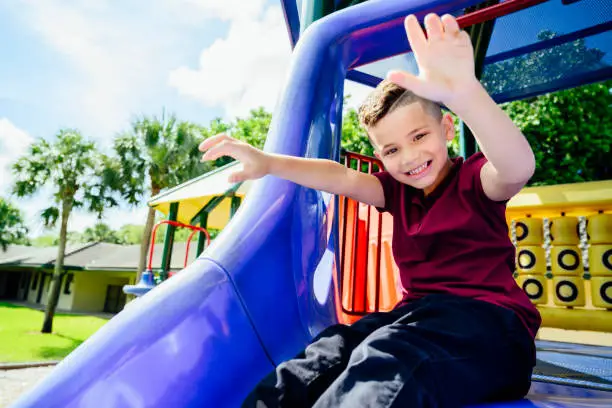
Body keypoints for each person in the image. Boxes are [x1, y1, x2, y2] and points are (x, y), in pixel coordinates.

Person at [199, 13, 541, 408]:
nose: (410, 157)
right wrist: (269, 162)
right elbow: (340, 177)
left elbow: (518, 166)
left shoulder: (475, 181)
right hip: (416, 315)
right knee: (327, 353)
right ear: (380, 155)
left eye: (419, 136)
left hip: (491, 327)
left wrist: (464, 93)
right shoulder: (395, 192)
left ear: (447, 129)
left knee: (388, 357)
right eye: (393, 150)